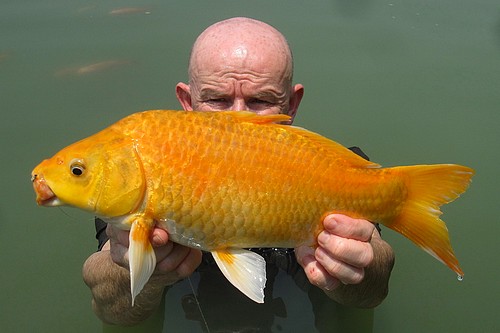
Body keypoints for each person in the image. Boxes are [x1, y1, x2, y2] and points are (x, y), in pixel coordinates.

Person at [83, 17, 395, 331]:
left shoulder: (342, 168)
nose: (237, 118)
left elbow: (375, 284)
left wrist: (360, 266)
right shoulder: (150, 170)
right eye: (217, 100)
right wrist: (136, 272)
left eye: (260, 101)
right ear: (187, 102)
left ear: (292, 102)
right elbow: (109, 306)